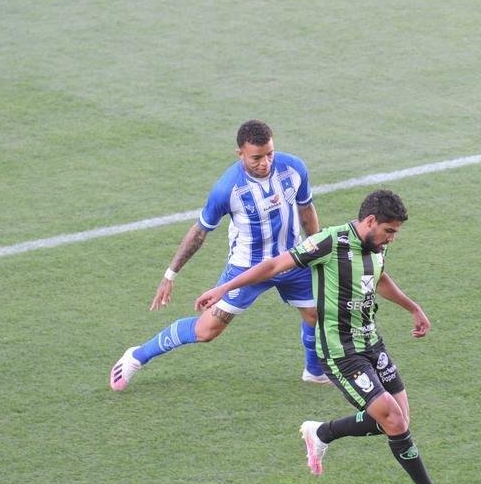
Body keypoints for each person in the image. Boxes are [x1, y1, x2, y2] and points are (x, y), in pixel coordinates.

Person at [195, 189, 463, 484]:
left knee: (398, 421)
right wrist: (224, 288)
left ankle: (322, 432)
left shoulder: (376, 246)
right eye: (389, 231)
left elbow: (378, 278)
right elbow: (275, 264)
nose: (391, 239)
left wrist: (413, 308)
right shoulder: (329, 242)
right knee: (391, 418)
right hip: (340, 352)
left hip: (372, 344)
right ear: (369, 221)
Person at [110, 120, 329, 391]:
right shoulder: (227, 189)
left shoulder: (294, 168)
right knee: (206, 331)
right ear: (240, 154)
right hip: (247, 270)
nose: (265, 163)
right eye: (256, 158)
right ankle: (137, 356)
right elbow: (199, 233)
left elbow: (306, 210)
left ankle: (314, 371)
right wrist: (170, 274)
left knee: (316, 314)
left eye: (270, 154)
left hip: (292, 260)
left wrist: (316, 248)